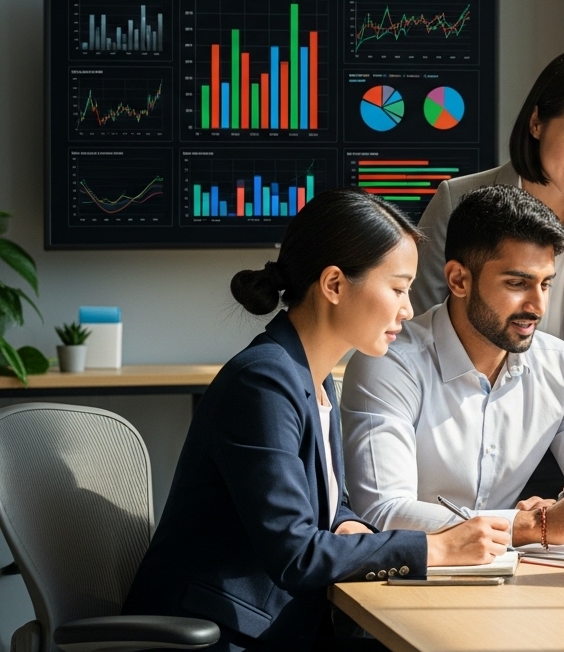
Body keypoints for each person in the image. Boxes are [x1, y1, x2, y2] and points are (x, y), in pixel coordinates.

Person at [123, 189, 511, 651]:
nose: (407, 310)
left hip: (283, 624)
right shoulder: (263, 383)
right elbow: (295, 552)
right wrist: (439, 547)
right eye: (398, 288)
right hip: (225, 635)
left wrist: (348, 525)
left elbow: (323, 507)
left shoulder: (314, 378)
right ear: (333, 285)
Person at [342, 185, 564, 545]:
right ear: (459, 279)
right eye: (517, 283)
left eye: (545, 284)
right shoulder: (390, 363)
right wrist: (530, 525)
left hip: (512, 583)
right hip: (409, 583)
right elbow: (382, 512)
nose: (537, 306)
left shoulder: (560, 367)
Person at [411, 49, 564, 439]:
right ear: (537, 123)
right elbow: (419, 329)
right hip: (457, 421)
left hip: (558, 423)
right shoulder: (457, 200)